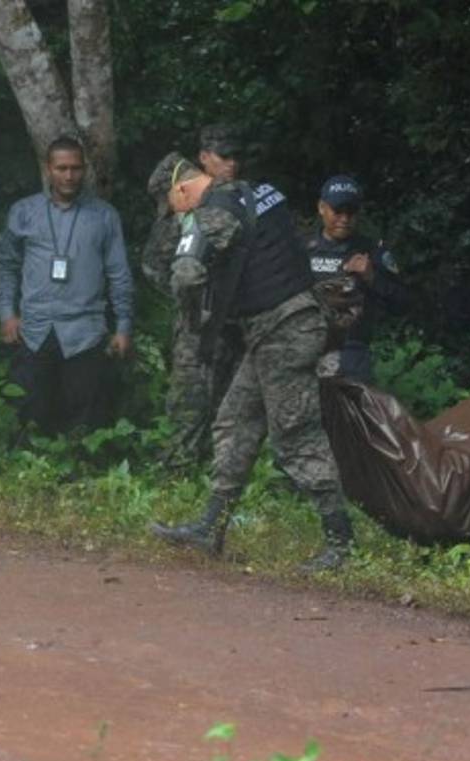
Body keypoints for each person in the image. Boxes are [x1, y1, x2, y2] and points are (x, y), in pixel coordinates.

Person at [149, 126, 354, 572]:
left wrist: (195, 317)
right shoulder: (262, 192)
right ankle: (210, 527)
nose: (176, 213)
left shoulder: (212, 210)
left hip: (281, 330)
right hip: (285, 325)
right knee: (235, 422)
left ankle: (340, 543)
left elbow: (185, 273)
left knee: (295, 435)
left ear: (183, 189)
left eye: (173, 205)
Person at [0, 135, 134, 435]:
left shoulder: (104, 216)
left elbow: (119, 274)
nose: (69, 176)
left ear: (85, 170)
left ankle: (83, 472)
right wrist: (6, 313)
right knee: (31, 416)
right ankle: (31, 475)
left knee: (86, 420)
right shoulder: (24, 211)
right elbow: (6, 265)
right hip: (34, 329)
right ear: (48, 169)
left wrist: (123, 326)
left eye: (76, 168)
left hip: (85, 331)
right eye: (61, 168)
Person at [143, 151, 236, 468]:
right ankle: (189, 466)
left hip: (220, 322)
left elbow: (185, 274)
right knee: (196, 397)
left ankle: (202, 467)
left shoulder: (219, 210)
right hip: (205, 322)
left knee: (218, 398)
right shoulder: (180, 220)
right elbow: (154, 267)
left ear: (180, 189)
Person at [305, 175, 407, 383]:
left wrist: (371, 277)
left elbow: (403, 303)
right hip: (304, 349)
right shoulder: (300, 249)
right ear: (321, 208)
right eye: (337, 210)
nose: (344, 218)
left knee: (353, 414)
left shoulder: (372, 252)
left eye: (351, 212)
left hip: (351, 354)